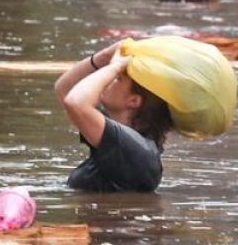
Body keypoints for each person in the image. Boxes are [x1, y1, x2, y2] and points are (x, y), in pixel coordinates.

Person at [54, 41, 173, 192]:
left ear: (134, 101)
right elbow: (65, 90)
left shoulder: (134, 148)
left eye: (117, 78)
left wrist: (116, 67)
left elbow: (75, 102)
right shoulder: (123, 139)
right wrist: (103, 57)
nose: (109, 79)